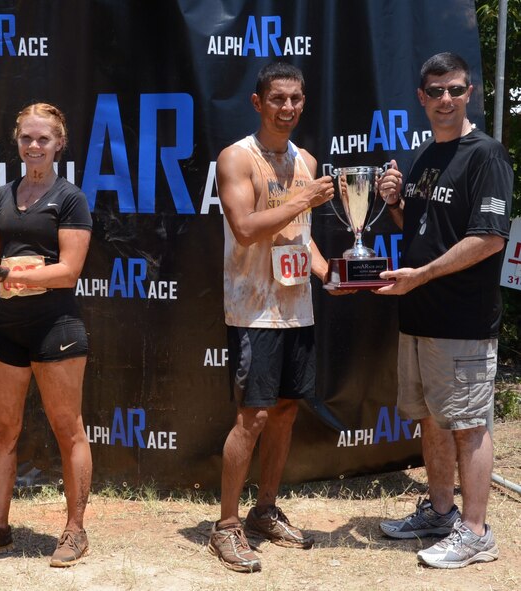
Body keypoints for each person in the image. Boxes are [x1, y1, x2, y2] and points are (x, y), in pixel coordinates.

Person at [376, 52, 513, 569]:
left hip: (463, 320)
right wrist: (393, 203)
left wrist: (423, 275)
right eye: (435, 92)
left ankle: (476, 532)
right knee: (434, 421)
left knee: (469, 426)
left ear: (470, 92)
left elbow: (488, 239)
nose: (445, 100)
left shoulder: (488, 155)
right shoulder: (427, 156)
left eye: (454, 90)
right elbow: (423, 230)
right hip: (419, 316)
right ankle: (439, 512)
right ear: (421, 98)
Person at [211, 62, 338, 573]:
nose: (288, 108)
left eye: (296, 99)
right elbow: (244, 228)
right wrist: (303, 197)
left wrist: (331, 275)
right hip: (252, 307)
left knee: (285, 411)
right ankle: (225, 525)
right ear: (258, 103)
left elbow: (300, 240)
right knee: (254, 417)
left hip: (296, 307)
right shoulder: (236, 158)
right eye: (278, 99)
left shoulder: (305, 159)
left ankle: (264, 508)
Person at [0, 103, 93, 568]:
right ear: (16, 143)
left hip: (55, 327)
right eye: (26, 139)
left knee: (67, 428)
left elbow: (70, 271)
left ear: (60, 144)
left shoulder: (70, 197)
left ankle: (75, 530)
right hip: (2, 327)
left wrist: (13, 274)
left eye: (43, 139)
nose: (34, 146)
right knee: (2, 431)